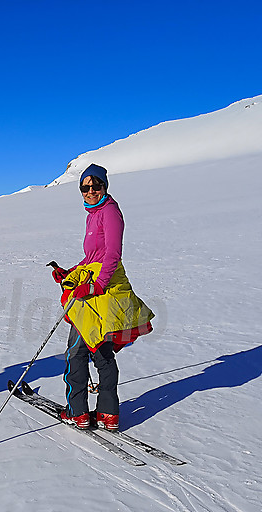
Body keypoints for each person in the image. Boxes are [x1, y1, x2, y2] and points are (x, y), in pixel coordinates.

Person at [49, 164, 154, 431]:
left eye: (96, 186)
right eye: (86, 187)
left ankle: (78, 412)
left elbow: (112, 256)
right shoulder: (94, 213)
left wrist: (96, 286)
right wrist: (69, 273)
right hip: (94, 283)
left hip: (102, 289)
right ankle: (108, 413)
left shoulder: (110, 212)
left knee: (77, 351)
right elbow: (92, 257)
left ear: (105, 186)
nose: (91, 191)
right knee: (98, 348)